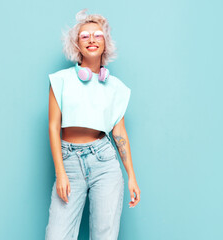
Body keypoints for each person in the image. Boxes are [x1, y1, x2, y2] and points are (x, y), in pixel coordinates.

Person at [45, 9, 141, 240]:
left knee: (104, 235)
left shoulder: (115, 87)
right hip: (69, 162)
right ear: (76, 44)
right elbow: (53, 127)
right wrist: (60, 173)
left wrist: (132, 176)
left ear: (105, 43)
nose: (91, 39)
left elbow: (119, 133)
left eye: (98, 35)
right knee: (56, 235)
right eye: (84, 36)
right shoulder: (60, 81)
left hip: (105, 163)